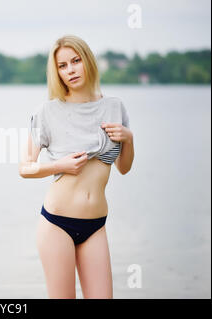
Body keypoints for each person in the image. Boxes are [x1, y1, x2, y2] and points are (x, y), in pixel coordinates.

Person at [19, 35, 135, 299]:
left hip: (96, 225)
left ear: (88, 62)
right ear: (56, 72)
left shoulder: (114, 107)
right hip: (57, 224)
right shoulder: (47, 112)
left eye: (75, 61)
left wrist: (129, 138)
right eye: (62, 66)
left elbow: (124, 168)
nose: (70, 70)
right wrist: (59, 165)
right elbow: (25, 167)